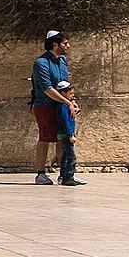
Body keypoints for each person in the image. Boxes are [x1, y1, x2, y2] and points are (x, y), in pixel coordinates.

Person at [32, 31, 84, 186]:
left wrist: (71, 101)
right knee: (45, 138)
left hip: (61, 105)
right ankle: (41, 173)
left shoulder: (62, 60)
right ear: (55, 45)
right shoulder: (41, 63)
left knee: (63, 138)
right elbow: (48, 89)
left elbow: (65, 85)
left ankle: (66, 174)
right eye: (65, 43)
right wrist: (68, 103)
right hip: (45, 105)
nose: (68, 46)